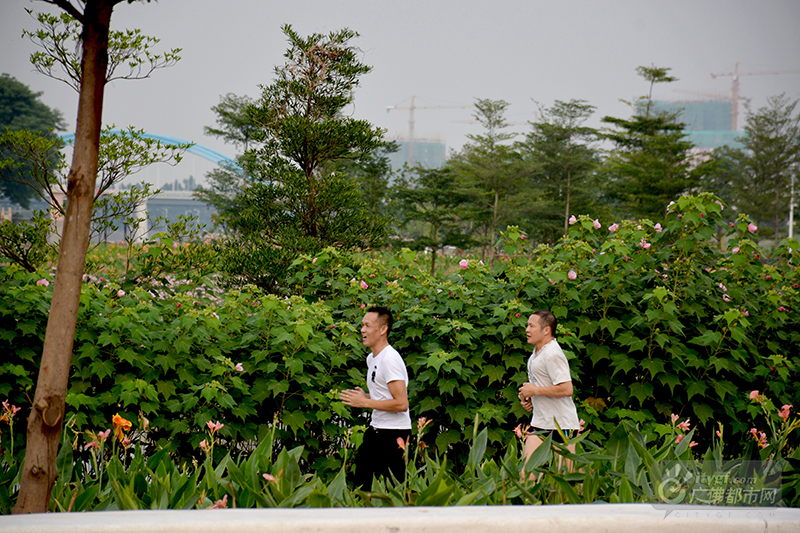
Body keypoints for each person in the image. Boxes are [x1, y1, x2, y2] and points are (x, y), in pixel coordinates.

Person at [340, 306, 411, 489]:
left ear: (383, 329)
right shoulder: (372, 358)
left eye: (367, 326)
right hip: (377, 430)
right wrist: (365, 396)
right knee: (361, 486)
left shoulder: (390, 359)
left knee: (393, 491)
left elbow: (401, 403)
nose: (362, 330)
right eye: (362, 325)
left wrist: (364, 402)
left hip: (394, 435)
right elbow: (385, 395)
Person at [518, 310, 580, 468]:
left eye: (531, 326)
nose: (527, 330)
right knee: (526, 474)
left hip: (562, 424)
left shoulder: (552, 354)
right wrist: (529, 398)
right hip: (540, 422)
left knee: (567, 476)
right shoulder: (535, 354)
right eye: (527, 326)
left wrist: (535, 391)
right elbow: (541, 386)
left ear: (546, 330)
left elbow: (566, 389)